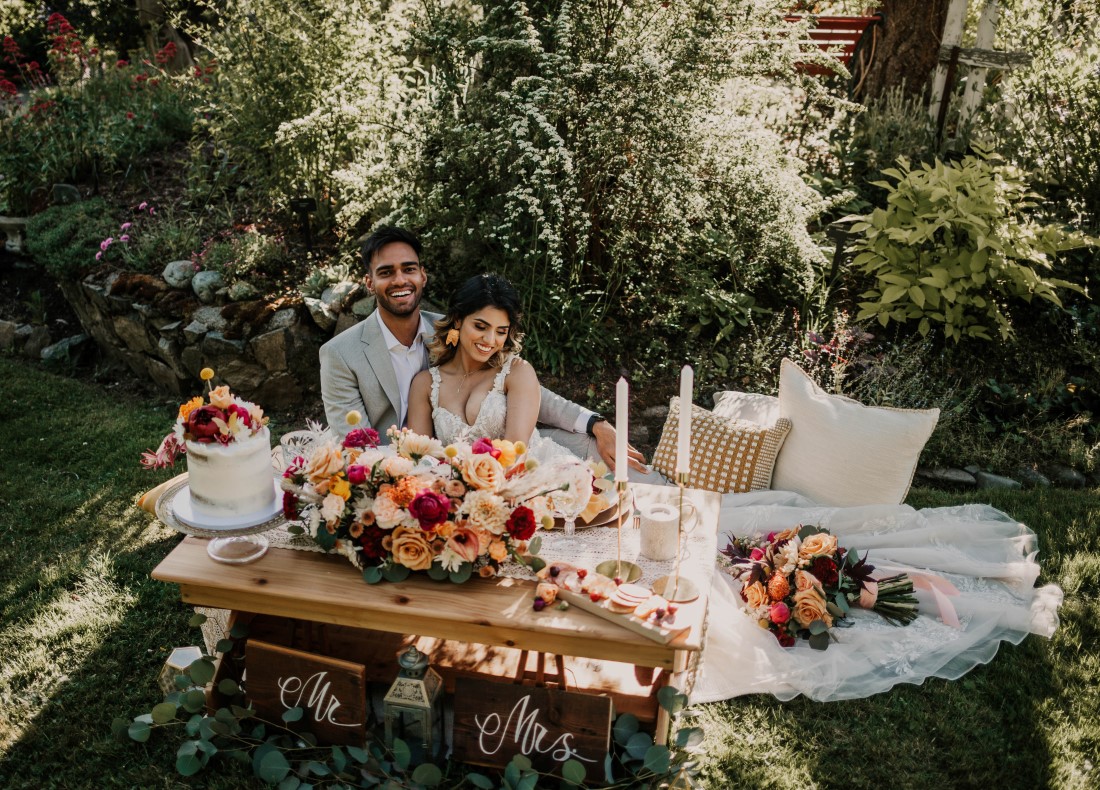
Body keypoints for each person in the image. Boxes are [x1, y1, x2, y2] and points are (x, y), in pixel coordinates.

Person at [319, 226, 645, 472]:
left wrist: (597, 423)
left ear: (422, 275)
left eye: (409, 268)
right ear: (369, 283)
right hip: (401, 474)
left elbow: (521, 387)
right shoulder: (340, 354)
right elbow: (356, 445)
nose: (400, 279)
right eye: (386, 272)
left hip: (490, 472)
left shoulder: (457, 329)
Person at [405, 272, 570, 460]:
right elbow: (417, 458)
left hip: (529, 476)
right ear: (458, 320)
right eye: (480, 327)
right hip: (455, 485)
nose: (490, 340)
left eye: (501, 332)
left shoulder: (517, 372)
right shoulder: (425, 384)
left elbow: (515, 455)